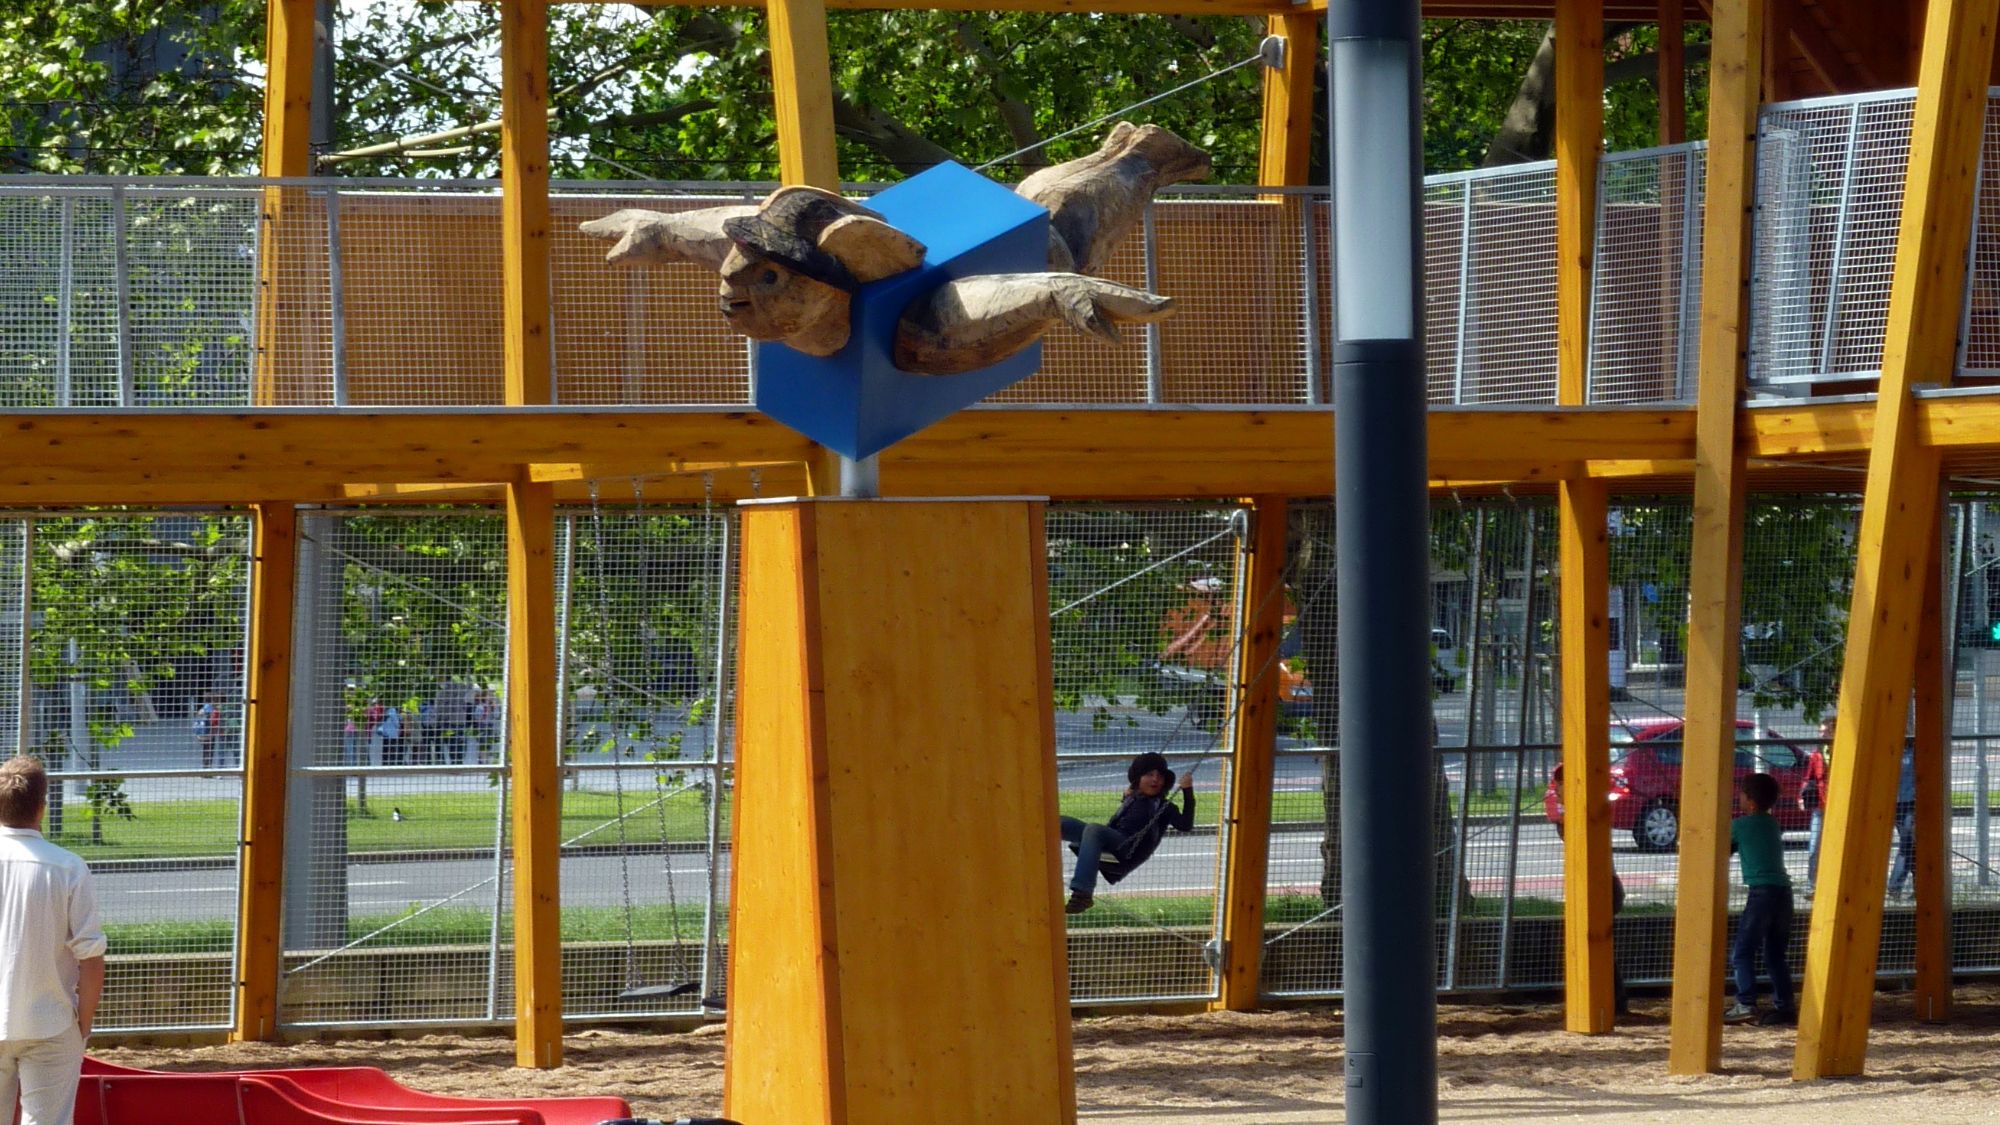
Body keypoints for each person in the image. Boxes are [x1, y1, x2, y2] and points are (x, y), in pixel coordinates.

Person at [0, 756, 105, 1125]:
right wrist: (84, 1026)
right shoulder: (68, 866)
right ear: (42, 808)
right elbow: (90, 956)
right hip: (51, 1021)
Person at [1058, 751, 1195, 914]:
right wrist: (1127, 797)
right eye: (1149, 774)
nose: (1155, 780)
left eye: (1160, 776)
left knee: (1094, 830)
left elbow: (1185, 825)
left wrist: (1187, 791)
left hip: (1125, 852)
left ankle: (1083, 893)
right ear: (1138, 779)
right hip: (1112, 843)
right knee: (1059, 823)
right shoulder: (1132, 797)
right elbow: (1129, 813)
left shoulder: (1164, 807)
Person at [1725, 772, 1796, 1026]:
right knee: (1775, 953)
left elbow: (1722, 847)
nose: (1739, 800)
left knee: (1742, 952)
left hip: (1761, 893)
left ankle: (1745, 1002)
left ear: (1751, 802)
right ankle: (1785, 1006)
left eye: (1741, 796)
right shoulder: (1772, 823)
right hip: (1784, 892)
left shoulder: (1741, 825)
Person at [1801, 715, 1833, 896]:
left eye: (1825, 732)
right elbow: (1808, 777)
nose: (1821, 735)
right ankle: (1811, 884)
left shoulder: (1842, 751)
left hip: (1838, 807)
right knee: (1814, 847)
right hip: (1820, 807)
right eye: (1820, 732)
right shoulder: (1816, 755)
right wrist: (1802, 794)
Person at [1887, 743, 1918, 900]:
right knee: (1911, 846)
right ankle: (1919, 888)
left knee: (1907, 843)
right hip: (1895, 803)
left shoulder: (1914, 750)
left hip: (1911, 802)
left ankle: (1894, 885)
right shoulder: (1888, 748)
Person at [192, 693, 223, 771]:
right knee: (210, 751)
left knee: (205, 751)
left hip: (202, 733)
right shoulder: (214, 709)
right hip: (210, 733)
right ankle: (208, 769)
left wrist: (197, 734)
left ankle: (204, 768)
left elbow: (197, 722)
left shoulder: (201, 710)